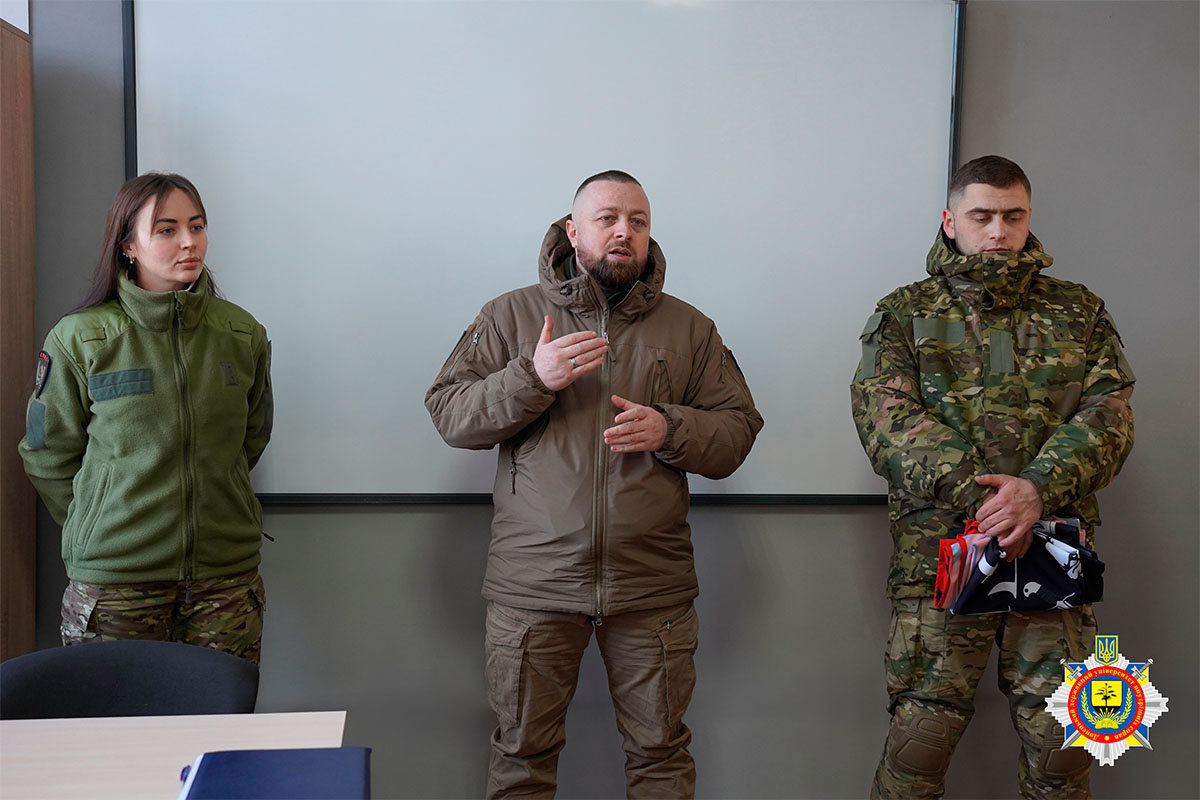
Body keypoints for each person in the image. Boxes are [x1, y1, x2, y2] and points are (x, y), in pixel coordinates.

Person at [426, 170, 763, 797]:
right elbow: (450, 413)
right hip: (534, 584)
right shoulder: (508, 314)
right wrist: (532, 377)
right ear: (572, 230)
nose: (623, 232)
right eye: (607, 218)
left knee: (661, 757)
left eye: (638, 221)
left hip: (651, 586)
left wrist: (671, 428)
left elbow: (738, 430)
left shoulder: (690, 328)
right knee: (521, 759)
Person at [850, 155, 1135, 798]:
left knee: (1065, 749)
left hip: (1054, 556)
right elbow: (887, 423)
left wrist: (1036, 490)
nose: (998, 231)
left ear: (1029, 218)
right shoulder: (905, 313)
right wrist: (993, 503)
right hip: (940, 560)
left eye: (1012, 216)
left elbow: (1110, 415)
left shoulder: (1079, 311)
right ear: (950, 221)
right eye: (981, 216)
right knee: (920, 745)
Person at [19, 173, 273, 665]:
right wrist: (101, 518)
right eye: (166, 229)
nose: (189, 242)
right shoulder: (81, 338)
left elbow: (252, 436)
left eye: (197, 226)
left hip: (224, 579)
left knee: (219, 711)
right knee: (117, 715)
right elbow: (46, 451)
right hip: (116, 583)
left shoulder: (242, 334)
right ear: (128, 245)